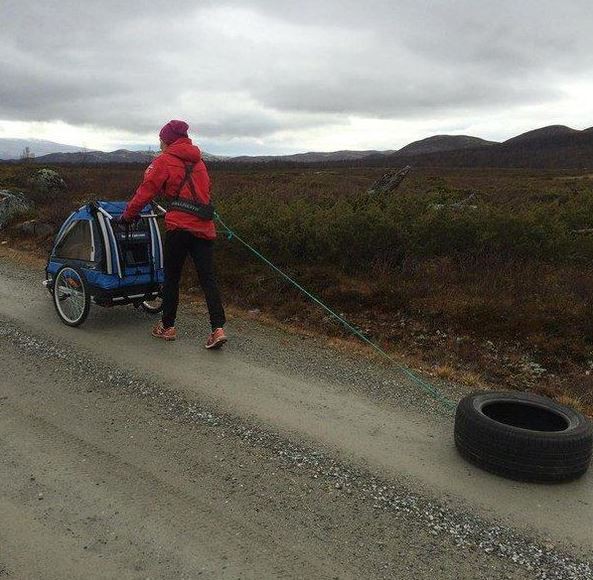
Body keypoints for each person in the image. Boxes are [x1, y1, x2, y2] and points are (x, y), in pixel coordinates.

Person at [121, 120, 227, 349]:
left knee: (172, 278)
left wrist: (128, 215)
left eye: (161, 139)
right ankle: (217, 329)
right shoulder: (199, 162)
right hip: (204, 227)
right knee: (207, 279)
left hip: (179, 227)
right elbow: (204, 192)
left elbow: (145, 192)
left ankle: (167, 326)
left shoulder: (164, 160)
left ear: (166, 140)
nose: (159, 143)